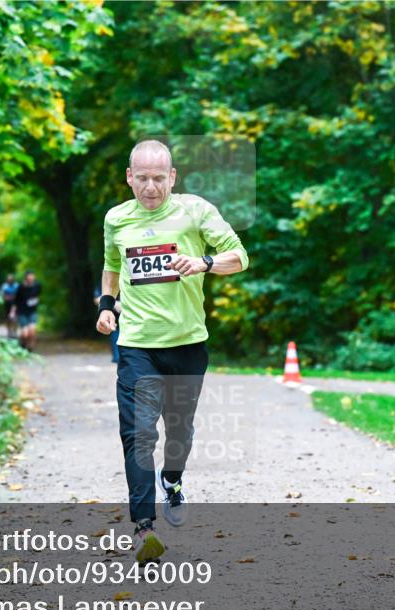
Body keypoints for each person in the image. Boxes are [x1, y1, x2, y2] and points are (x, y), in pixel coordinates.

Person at [96, 140, 249, 564]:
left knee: (178, 432)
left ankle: (173, 479)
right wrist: (106, 306)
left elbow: (240, 256)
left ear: (173, 177)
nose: (151, 187)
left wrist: (204, 263)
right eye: (142, 178)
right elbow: (112, 266)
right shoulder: (116, 219)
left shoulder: (195, 210)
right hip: (136, 345)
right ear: (129, 177)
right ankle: (144, 527)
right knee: (138, 433)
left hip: (187, 344)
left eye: (159, 178)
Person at [13, 270, 41, 352]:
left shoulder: (37, 285)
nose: (31, 279)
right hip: (22, 312)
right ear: (26, 278)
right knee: (25, 334)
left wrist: (36, 300)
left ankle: (31, 347)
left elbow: (38, 295)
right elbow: (15, 300)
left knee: (32, 330)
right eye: (29, 277)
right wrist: (13, 312)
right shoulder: (21, 287)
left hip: (32, 311)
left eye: (32, 277)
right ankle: (22, 344)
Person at [94, 287, 122, 363]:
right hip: (114, 320)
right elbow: (96, 298)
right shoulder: (105, 281)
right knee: (118, 356)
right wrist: (111, 304)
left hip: (130, 320)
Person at [0, 273, 19, 339]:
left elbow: (20, 294)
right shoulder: (4, 286)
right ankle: (9, 332)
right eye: (8, 279)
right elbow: (1, 294)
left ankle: (14, 331)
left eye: (11, 279)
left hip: (15, 304)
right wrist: (5, 297)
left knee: (15, 318)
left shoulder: (16, 286)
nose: (10, 281)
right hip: (7, 304)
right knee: (8, 318)